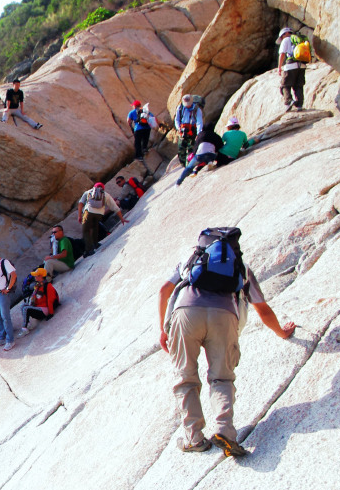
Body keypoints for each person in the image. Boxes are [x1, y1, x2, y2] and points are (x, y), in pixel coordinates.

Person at [158, 228, 296, 456]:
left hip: (186, 314)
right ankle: (224, 431)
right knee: (221, 377)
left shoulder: (190, 259)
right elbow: (262, 309)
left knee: (185, 378)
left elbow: (164, 290)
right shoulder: (240, 268)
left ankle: (194, 438)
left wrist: (164, 329)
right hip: (225, 317)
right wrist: (281, 332)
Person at [77, 183, 126, 256]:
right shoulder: (106, 195)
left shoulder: (88, 192)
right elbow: (115, 207)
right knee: (95, 227)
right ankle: (95, 244)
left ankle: (89, 249)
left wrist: (79, 215)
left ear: (94, 187)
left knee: (86, 231)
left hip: (88, 213)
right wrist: (122, 218)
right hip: (99, 214)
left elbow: (80, 203)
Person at [17, 268, 59, 337]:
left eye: (36, 275)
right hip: (39, 307)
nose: (35, 277)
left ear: (41, 276)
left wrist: (51, 313)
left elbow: (50, 300)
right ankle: (28, 324)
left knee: (26, 309)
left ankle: (24, 329)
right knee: (23, 305)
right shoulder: (38, 285)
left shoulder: (47, 286)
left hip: (44, 310)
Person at [277, 27, 306, 110]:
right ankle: (299, 105)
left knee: (285, 85)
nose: (282, 38)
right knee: (298, 86)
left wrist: (279, 67)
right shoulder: (300, 40)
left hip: (291, 66)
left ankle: (289, 101)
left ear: (284, 34)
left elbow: (282, 54)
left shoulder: (286, 40)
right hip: (302, 66)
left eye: (281, 37)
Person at [174, 94, 204, 166]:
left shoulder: (197, 109)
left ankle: (190, 165)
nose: (187, 106)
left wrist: (198, 133)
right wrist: (179, 128)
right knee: (181, 149)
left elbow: (199, 122)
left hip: (192, 131)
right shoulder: (180, 108)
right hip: (183, 130)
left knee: (191, 149)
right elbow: (177, 119)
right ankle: (183, 164)